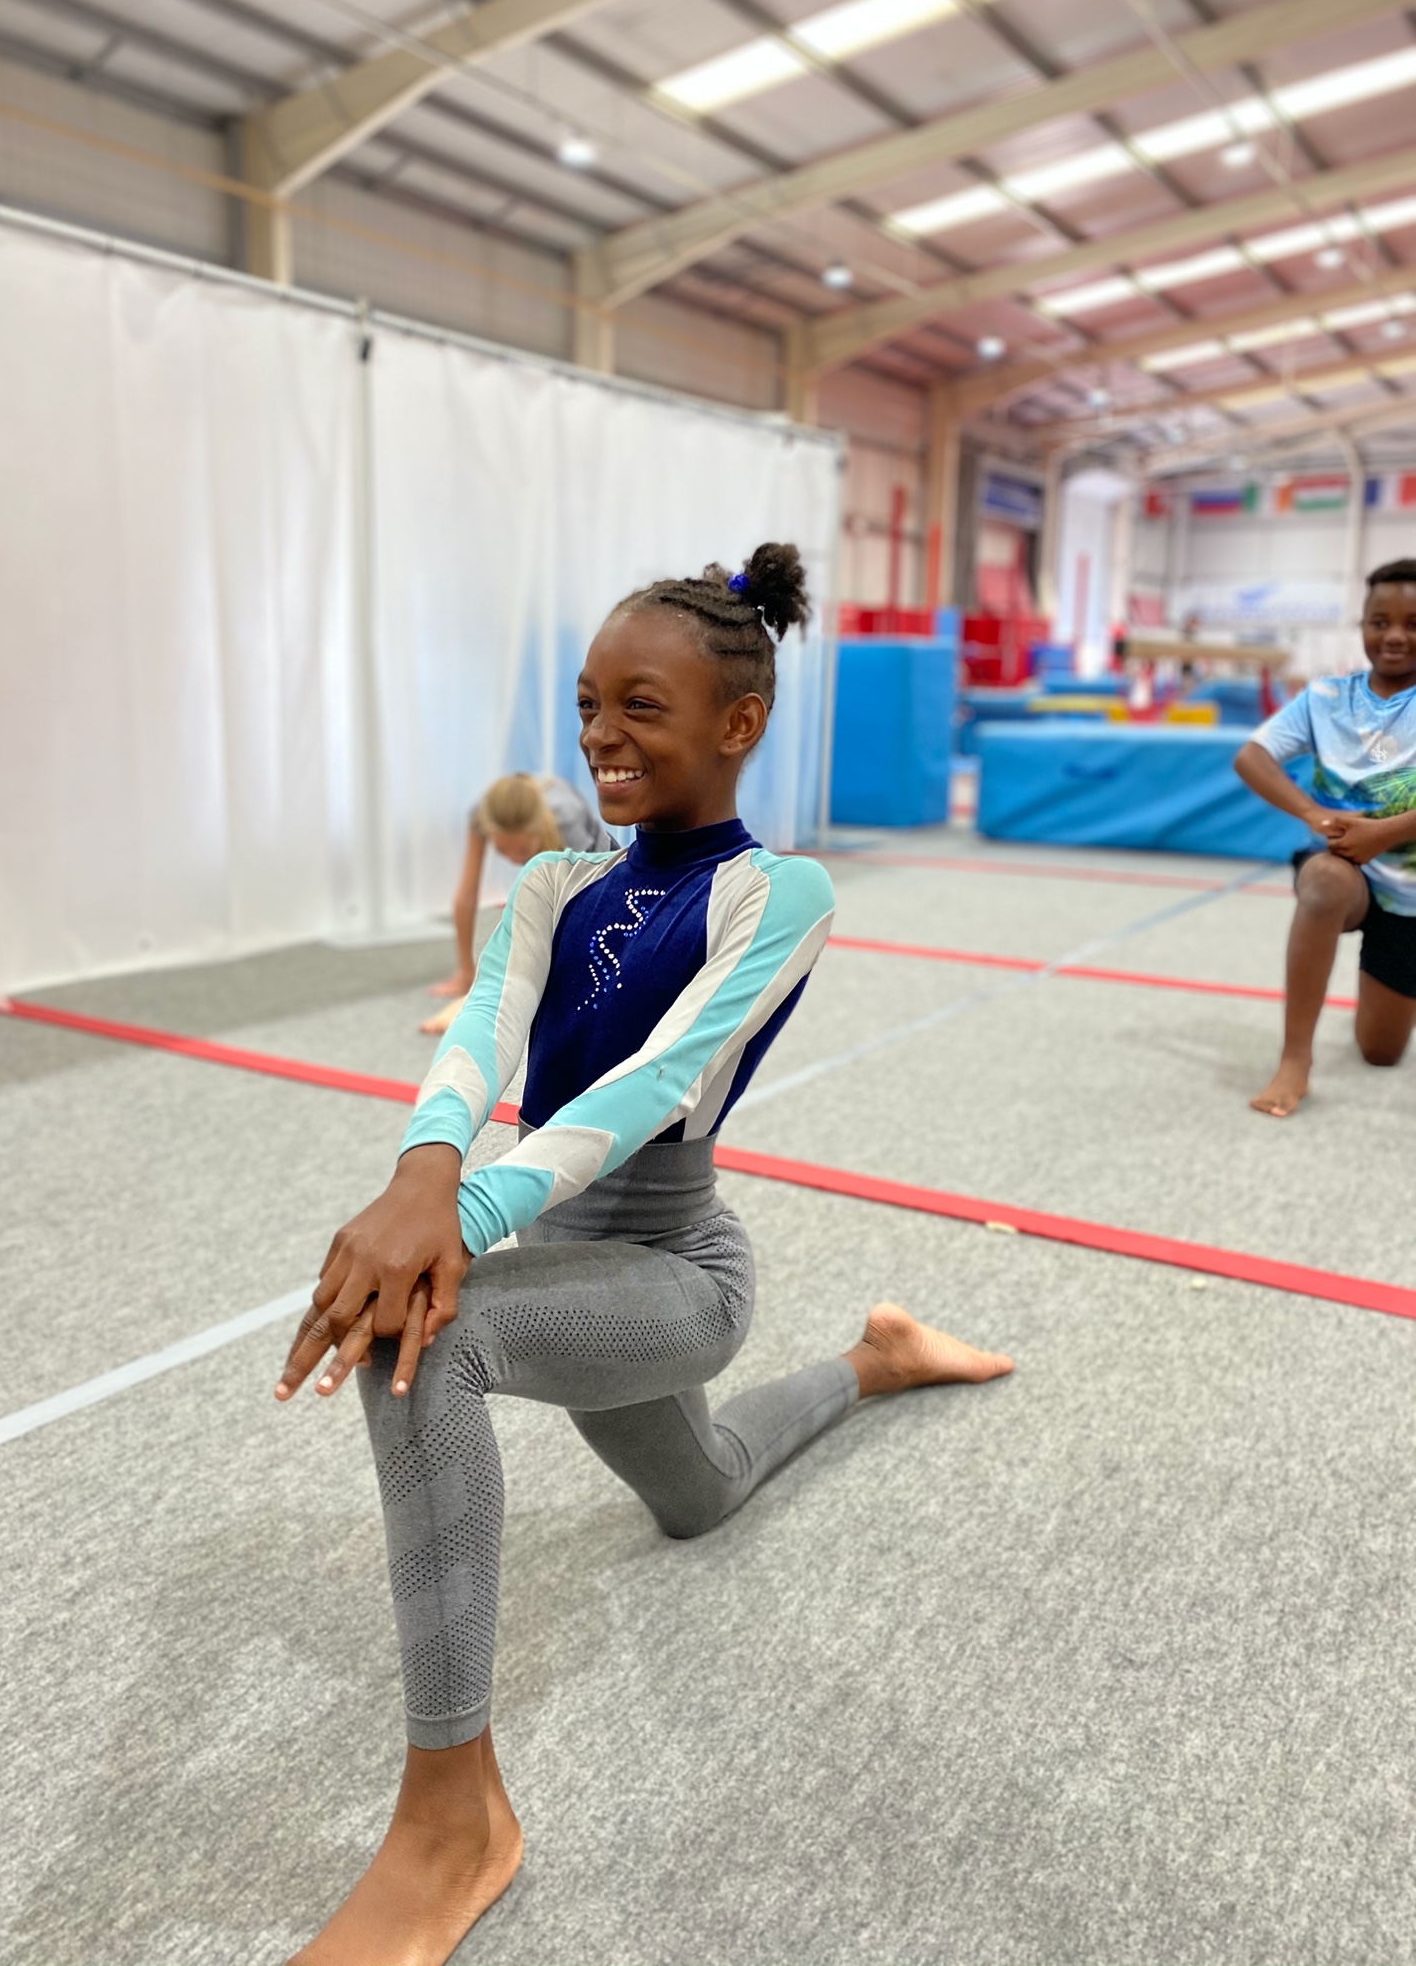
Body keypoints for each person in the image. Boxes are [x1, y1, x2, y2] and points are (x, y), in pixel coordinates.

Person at [274, 542, 1015, 1966]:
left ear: (739, 723)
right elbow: (485, 1028)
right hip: (567, 1261)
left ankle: (454, 1820)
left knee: (424, 1341)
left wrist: (469, 1216)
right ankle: (879, 1357)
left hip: (676, 1276)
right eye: (585, 704)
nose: (601, 736)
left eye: (640, 708)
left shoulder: (776, 895)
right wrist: (428, 1165)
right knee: (704, 1494)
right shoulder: (553, 882)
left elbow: (659, 1083)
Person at [1233, 557, 1416, 1118]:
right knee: (1322, 883)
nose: (1395, 636)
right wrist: (1313, 815)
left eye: (1414, 623)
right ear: (1361, 625)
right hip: (1346, 869)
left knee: (1381, 1053)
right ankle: (1294, 1060)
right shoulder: (1328, 699)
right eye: (1379, 621)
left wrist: (1386, 831)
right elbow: (1251, 756)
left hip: (1409, 893)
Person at [422, 772, 614, 1035]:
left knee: (565, 967)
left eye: (522, 852)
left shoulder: (566, 818)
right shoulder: (482, 815)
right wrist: (466, 971)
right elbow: (467, 893)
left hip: (603, 877)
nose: (512, 859)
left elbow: (585, 904)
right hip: (551, 870)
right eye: (503, 851)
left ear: (539, 830)